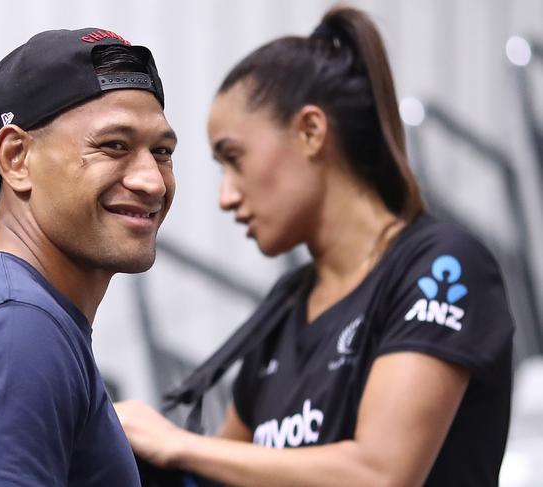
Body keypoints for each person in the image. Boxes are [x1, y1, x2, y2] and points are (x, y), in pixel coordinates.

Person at [115, 6, 514, 486]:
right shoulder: (286, 306)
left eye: (234, 159)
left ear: (311, 132)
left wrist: (176, 443)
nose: (226, 196)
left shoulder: (441, 265)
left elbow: (381, 474)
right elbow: (224, 472)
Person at [0, 28, 176, 486]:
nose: (153, 182)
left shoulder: (25, 316)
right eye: (114, 145)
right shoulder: (16, 329)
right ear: (17, 157)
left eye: (162, 152)